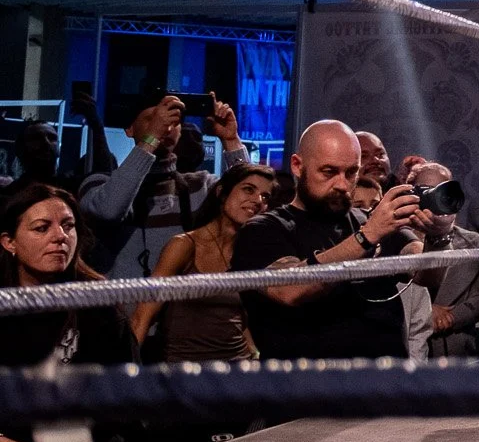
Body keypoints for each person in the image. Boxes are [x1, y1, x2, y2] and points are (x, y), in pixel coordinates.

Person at [232, 121, 420, 360]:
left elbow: (425, 272)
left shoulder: (370, 220)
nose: (342, 184)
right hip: (307, 389)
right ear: (298, 166)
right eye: (329, 172)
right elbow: (289, 290)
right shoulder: (262, 230)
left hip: (387, 386)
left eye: (351, 172)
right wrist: (366, 238)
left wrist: (439, 236)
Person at [0, 187, 135, 442]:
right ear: (9, 243)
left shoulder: (99, 304)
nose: (60, 236)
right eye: (42, 228)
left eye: (68, 225)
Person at [76, 94, 250, 279]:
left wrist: (231, 140)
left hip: (182, 303)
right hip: (119, 303)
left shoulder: (200, 186)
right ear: (130, 129)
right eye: (152, 119)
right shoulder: (97, 183)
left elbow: (249, 200)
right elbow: (109, 210)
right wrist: (152, 139)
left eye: (174, 121)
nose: (165, 126)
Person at [129, 161, 273, 363]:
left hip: (238, 372)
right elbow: (142, 316)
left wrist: (255, 354)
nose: (258, 200)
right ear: (222, 193)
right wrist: (124, 377)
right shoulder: (184, 245)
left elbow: (238, 317)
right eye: (248, 189)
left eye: (265, 197)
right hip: (184, 373)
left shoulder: (249, 253)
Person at [409, 162, 479, 358]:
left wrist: (450, 318)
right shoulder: (398, 238)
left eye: (444, 189)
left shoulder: (473, 243)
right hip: (406, 352)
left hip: (457, 352)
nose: (438, 197)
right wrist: (426, 314)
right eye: (428, 191)